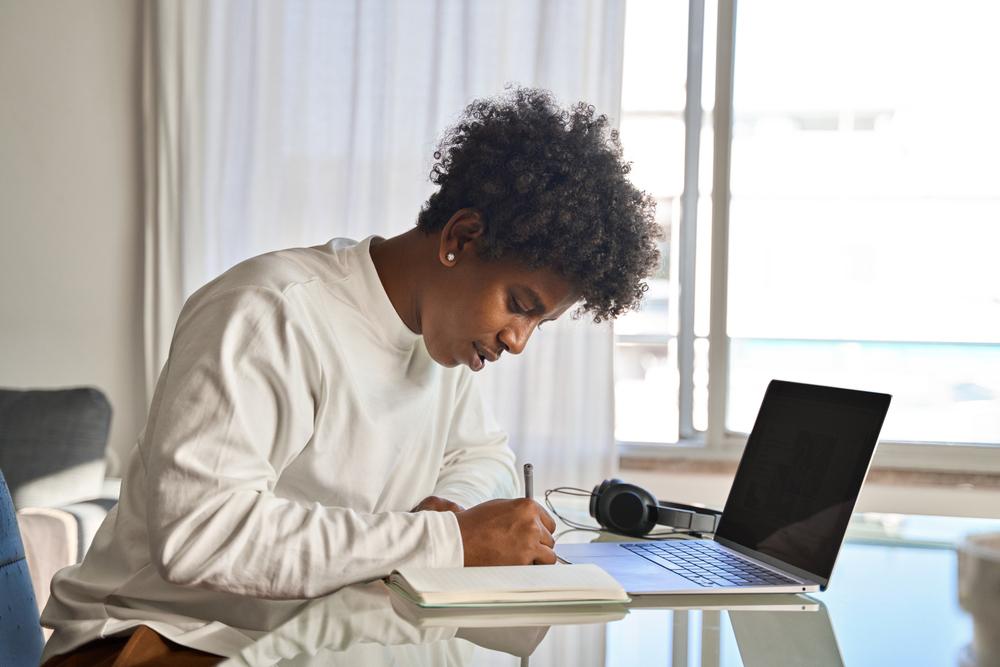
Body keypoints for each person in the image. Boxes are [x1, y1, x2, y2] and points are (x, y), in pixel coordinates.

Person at [40, 86, 661, 664]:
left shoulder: (440, 345)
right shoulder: (270, 312)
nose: (518, 341)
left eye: (539, 323)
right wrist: (443, 541)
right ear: (462, 238)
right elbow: (202, 534)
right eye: (519, 305)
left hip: (292, 640)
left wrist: (458, 517)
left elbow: (484, 456)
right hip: (151, 642)